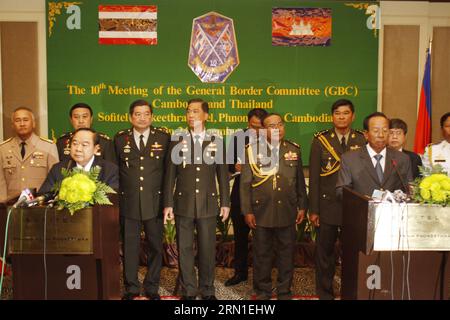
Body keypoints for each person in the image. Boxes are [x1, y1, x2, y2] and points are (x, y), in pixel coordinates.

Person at [163, 98, 230, 300]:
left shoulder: (216, 140)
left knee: (208, 249)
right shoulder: (177, 140)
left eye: (195, 111)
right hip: (183, 202)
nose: (191, 115)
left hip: (208, 204)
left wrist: (225, 202)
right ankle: (189, 290)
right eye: (188, 112)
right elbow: (170, 176)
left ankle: (208, 289)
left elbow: (222, 175)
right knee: (184, 249)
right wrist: (168, 203)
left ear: (206, 116)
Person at [240, 113, 308, 300]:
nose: (276, 128)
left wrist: (302, 206)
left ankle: (284, 291)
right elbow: (245, 184)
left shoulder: (294, 149)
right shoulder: (252, 151)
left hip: (287, 210)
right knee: (262, 254)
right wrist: (247, 211)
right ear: (264, 130)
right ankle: (263, 290)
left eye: (279, 124)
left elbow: (299, 181)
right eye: (271, 125)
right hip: (261, 211)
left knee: (287, 254)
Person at [308, 99, 366, 300]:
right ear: (332, 116)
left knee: (353, 253)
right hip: (327, 206)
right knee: (325, 254)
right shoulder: (320, 140)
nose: (341, 117)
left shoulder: (362, 140)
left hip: (354, 207)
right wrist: (313, 210)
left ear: (353, 116)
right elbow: (314, 178)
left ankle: (351, 291)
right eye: (337, 113)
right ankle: (324, 293)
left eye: (346, 113)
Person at [114, 99, 170, 300]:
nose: (142, 117)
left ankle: (152, 287)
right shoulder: (120, 139)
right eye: (138, 114)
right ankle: (131, 288)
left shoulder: (163, 138)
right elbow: (115, 174)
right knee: (130, 248)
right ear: (131, 117)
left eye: (146, 113)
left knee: (156, 246)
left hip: (155, 203)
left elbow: (168, 173)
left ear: (152, 116)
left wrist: (167, 203)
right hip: (129, 203)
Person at [224, 108, 268, 287]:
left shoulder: (271, 138)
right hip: (240, 193)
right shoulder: (237, 137)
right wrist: (235, 167)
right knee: (240, 236)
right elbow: (227, 166)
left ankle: (261, 277)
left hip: (263, 194)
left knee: (263, 239)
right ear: (247, 122)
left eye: (259, 127)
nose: (255, 131)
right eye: (252, 126)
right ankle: (240, 273)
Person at [336, 112, 412, 198]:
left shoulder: (402, 158)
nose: (381, 135)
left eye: (385, 130)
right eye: (376, 131)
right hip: (362, 210)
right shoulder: (350, 159)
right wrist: (364, 200)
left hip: (392, 210)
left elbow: (409, 190)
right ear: (366, 134)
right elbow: (341, 191)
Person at [0, 107, 59, 201]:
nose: (22, 124)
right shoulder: (3, 148)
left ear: (34, 123)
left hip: (39, 205)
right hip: (11, 206)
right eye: (17, 120)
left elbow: (55, 180)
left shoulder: (48, 146)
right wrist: (2, 205)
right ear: (12, 125)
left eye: (25, 120)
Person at [39, 128, 118, 193]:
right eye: (75, 143)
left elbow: (111, 202)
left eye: (84, 145)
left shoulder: (109, 170)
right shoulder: (58, 169)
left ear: (96, 149)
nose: (78, 149)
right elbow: (44, 195)